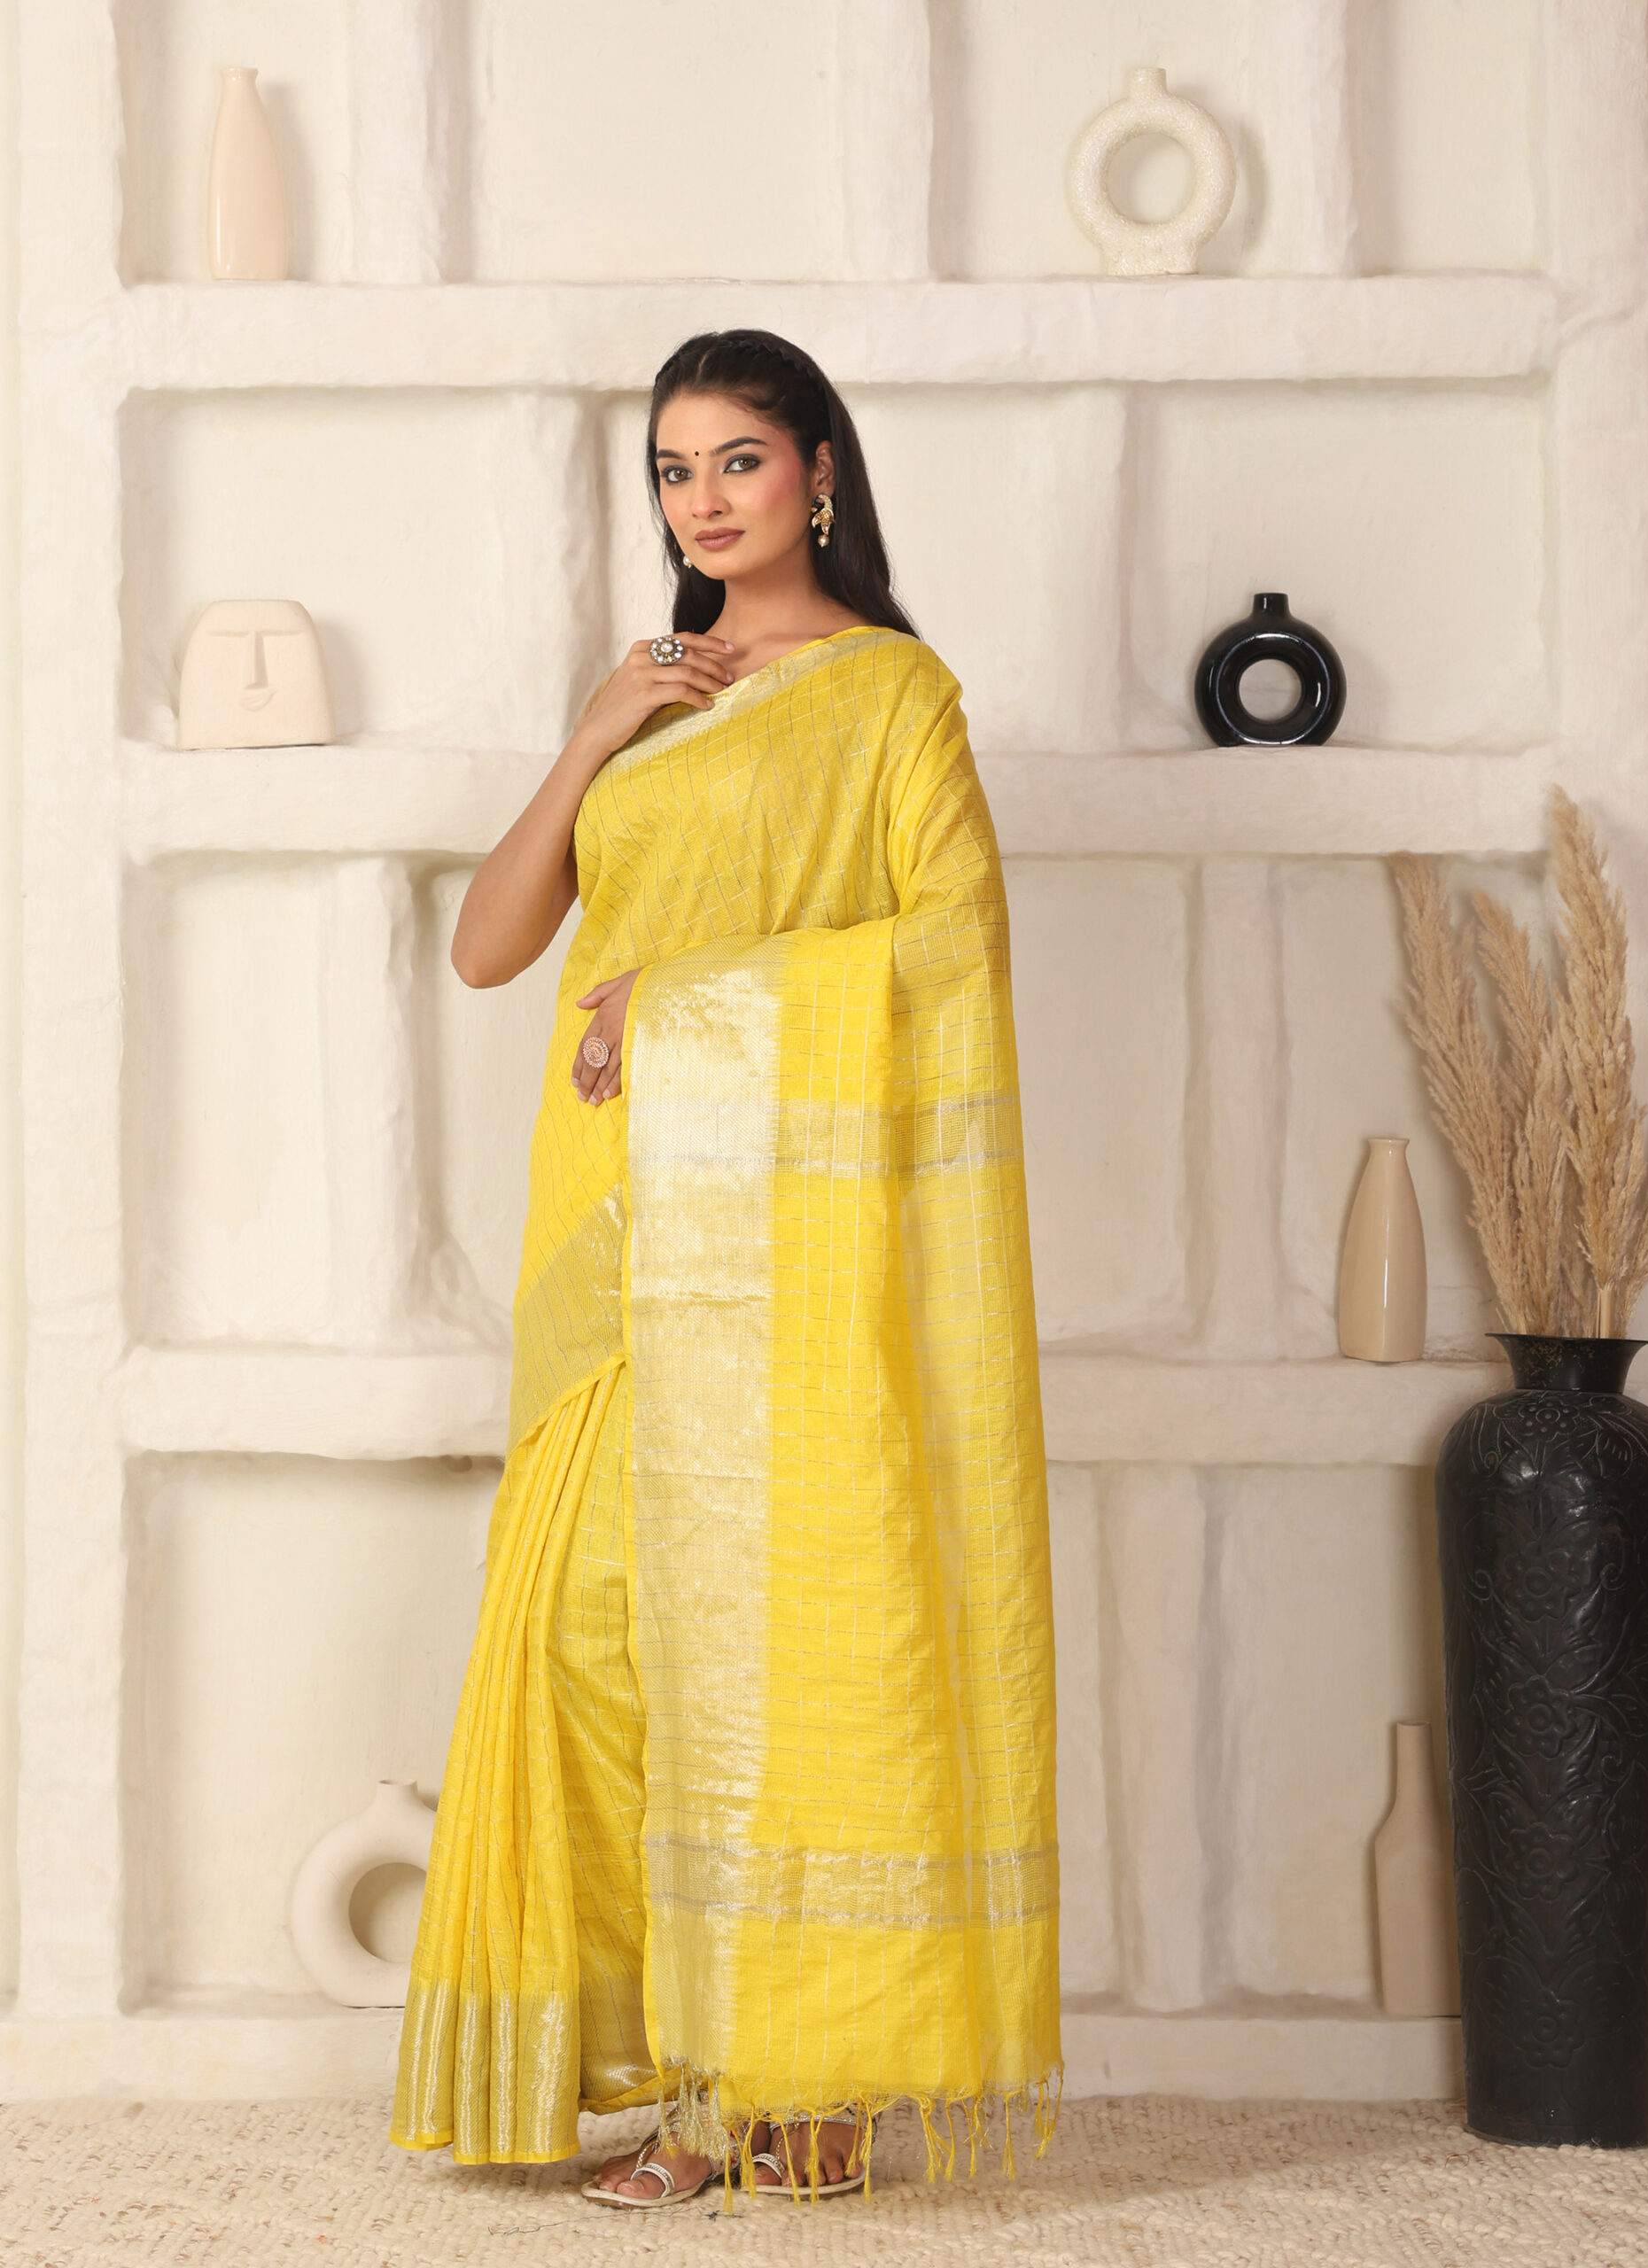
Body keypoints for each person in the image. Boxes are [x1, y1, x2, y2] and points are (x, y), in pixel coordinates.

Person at [389, 328, 1060, 2209]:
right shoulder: (658, 698)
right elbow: (490, 947)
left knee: (781, 1648)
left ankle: (779, 2090)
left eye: (739, 459)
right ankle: (657, 2064)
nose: (703, 498)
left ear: (820, 470)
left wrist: (689, 1004)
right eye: (674, 470)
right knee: (597, 1645)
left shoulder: (893, 698)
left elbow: (951, 952)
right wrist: (595, 730)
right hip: (613, 1233)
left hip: (792, 1250)